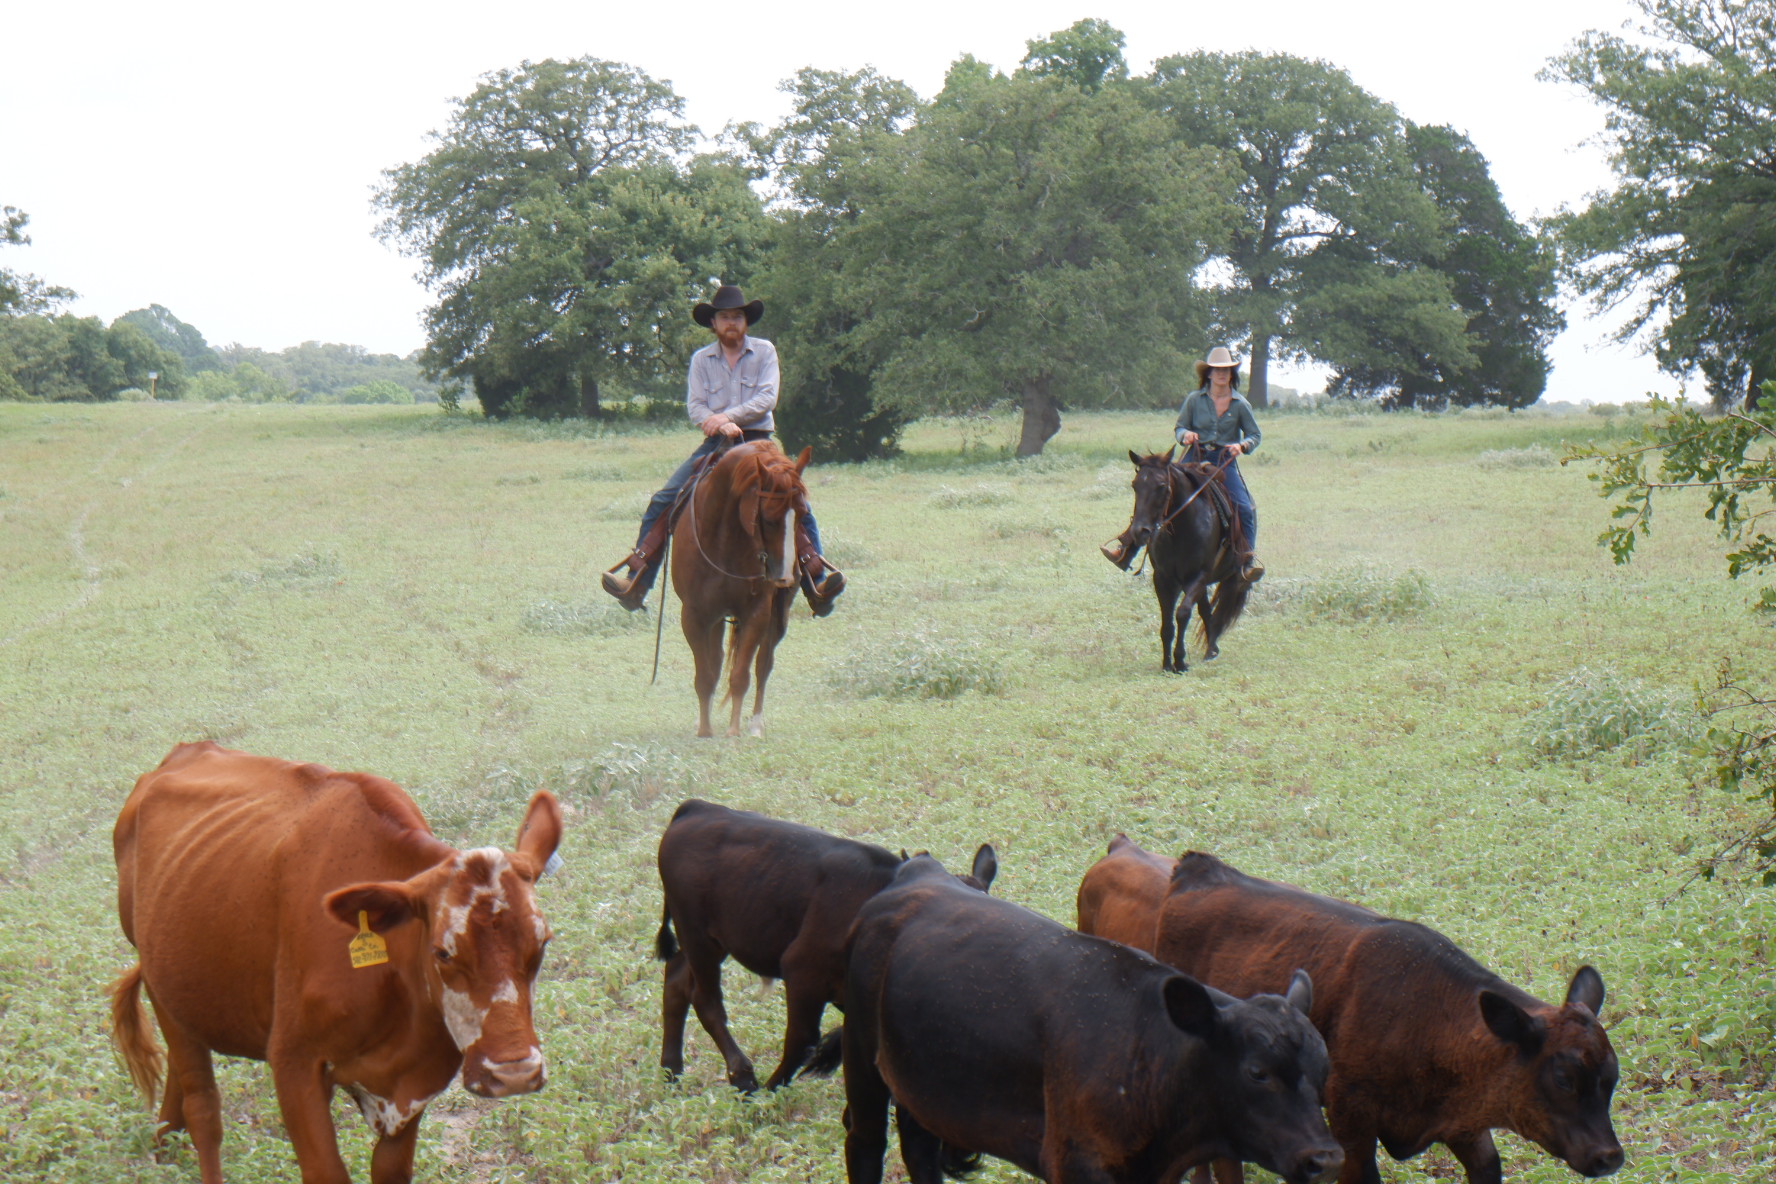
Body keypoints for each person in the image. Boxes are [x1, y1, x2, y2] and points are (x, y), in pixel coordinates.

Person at [600, 285, 845, 614]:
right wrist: (718, 425)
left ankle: (816, 581)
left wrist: (728, 418)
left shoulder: (765, 352)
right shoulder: (702, 359)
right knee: (665, 498)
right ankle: (637, 580)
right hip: (717, 442)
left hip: (758, 439)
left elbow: (766, 399)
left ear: (746, 322)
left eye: (737, 317)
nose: (731, 322)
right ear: (713, 323)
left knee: (793, 497)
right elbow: (696, 406)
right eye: (725, 317)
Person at [1101, 345, 1265, 581]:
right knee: (1154, 493)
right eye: (1217, 370)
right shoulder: (1193, 400)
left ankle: (1246, 562)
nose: (1221, 374)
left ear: (1231, 373)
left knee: (1245, 506)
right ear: (1208, 373)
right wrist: (1185, 435)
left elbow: (1254, 435)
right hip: (1192, 458)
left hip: (1223, 462)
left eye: (1226, 370)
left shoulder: (1241, 404)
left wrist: (1241, 446)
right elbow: (1180, 427)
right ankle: (1126, 550)